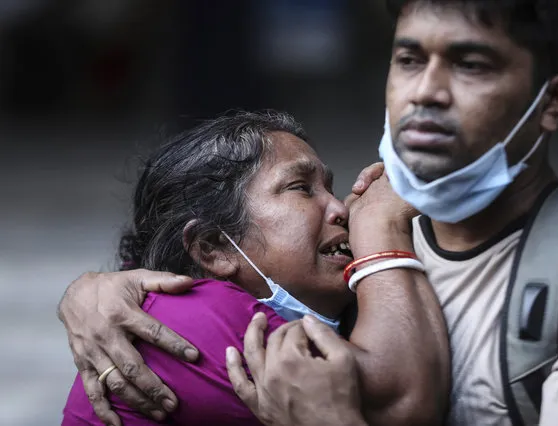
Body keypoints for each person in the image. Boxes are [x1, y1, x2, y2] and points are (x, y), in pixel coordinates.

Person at [57, 0, 558, 425]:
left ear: (553, 101)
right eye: (409, 59)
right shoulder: (359, 255)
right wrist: (89, 293)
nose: (426, 92)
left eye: (472, 65)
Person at [59, 110, 449, 425]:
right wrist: (382, 224)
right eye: (301, 188)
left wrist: (88, 288)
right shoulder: (192, 319)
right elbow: (401, 403)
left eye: (330, 187)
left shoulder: (142, 300)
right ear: (213, 248)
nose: (341, 209)